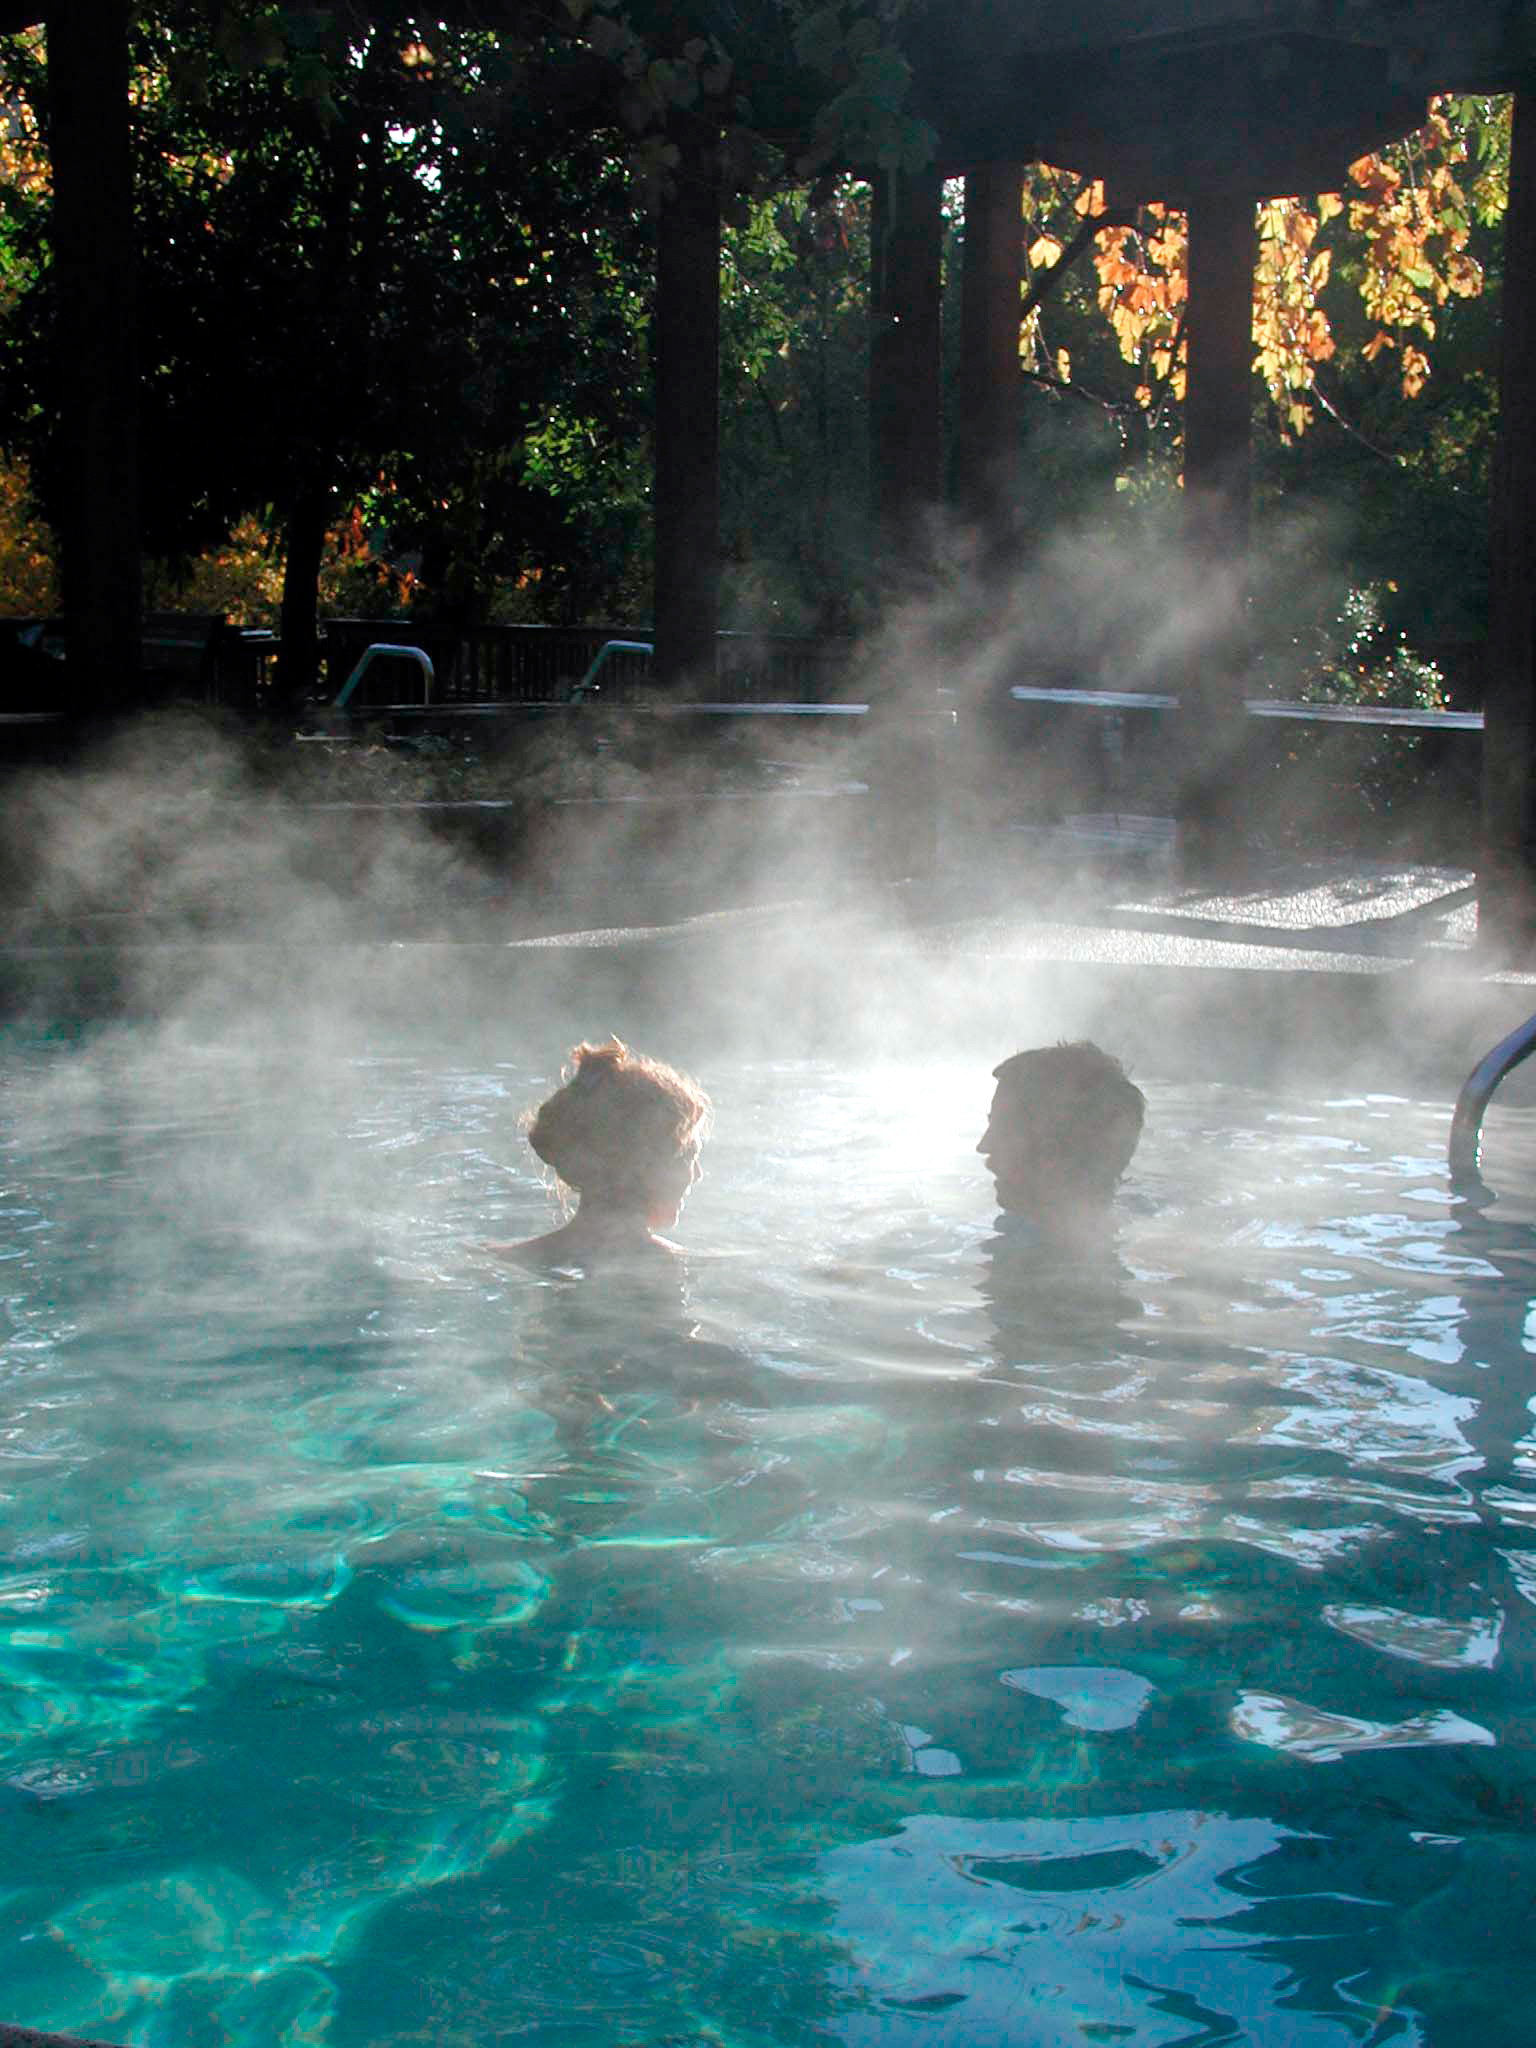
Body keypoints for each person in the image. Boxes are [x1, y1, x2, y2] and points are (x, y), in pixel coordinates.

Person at [489, 1037, 710, 1268]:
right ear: (645, 1167)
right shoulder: (670, 1266)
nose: (697, 1174)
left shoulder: (505, 1257)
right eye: (687, 1158)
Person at [978, 1039, 1145, 1238]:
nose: (983, 1146)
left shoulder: (1025, 1249)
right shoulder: (1124, 1231)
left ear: (1061, 1149)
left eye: (1005, 1127)